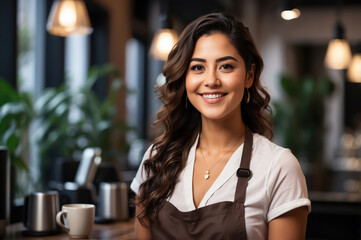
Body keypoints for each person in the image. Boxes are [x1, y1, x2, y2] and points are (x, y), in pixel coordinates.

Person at [130, 12, 311, 240]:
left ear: (249, 76)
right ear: (184, 77)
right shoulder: (156, 159)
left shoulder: (279, 168)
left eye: (225, 66)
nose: (211, 80)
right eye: (198, 67)